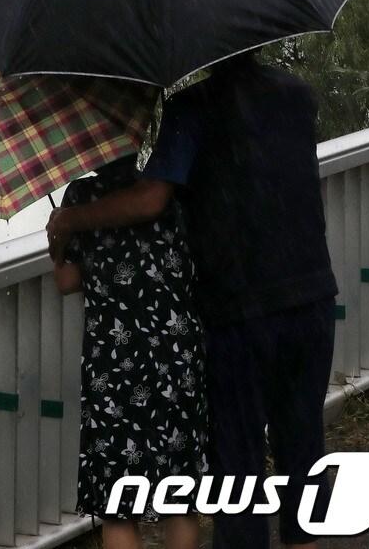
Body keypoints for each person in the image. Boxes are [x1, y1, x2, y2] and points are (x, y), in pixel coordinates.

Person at [47, 53, 336, 549]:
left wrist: (68, 222)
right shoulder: (297, 95)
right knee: (303, 444)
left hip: (240, 308)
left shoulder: (192, 109)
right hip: (309, 291)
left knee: (239, 464)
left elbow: (151, 198)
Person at [52, 155, 209, 549]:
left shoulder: (79, 198)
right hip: (178, 354)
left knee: (118, 502)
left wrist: (58, 232)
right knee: (180, 496)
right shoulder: (173, 188)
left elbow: (67, 280)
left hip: (113, 364)